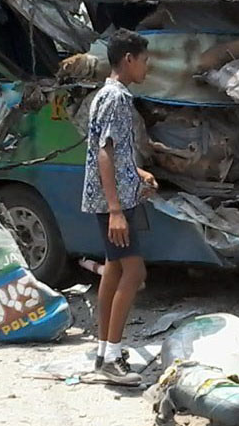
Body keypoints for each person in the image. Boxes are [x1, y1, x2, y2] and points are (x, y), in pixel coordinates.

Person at [82, 28, 157, 385]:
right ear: (128, 59)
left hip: (116, 197)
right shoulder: (117, 99)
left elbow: (114, 151)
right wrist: (115, 209)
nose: (148, 67)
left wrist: (139, 174)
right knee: (134, 273)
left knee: (113, 268)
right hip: (114, 204)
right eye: (144, 60)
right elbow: (104, 152)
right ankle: (113, 356)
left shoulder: (105, 95)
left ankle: (103, 350)